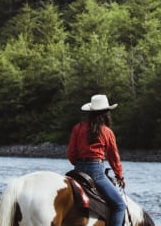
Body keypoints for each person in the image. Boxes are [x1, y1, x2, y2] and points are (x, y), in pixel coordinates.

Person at [67, 94, 127, 226]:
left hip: (78, 170)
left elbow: (71, 153)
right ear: (106, 114)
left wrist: (79, 164)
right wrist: (120, 176)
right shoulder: (107, 132)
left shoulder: (77, 128)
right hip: (96, 172)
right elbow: (113, 157)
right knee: (120, 205)